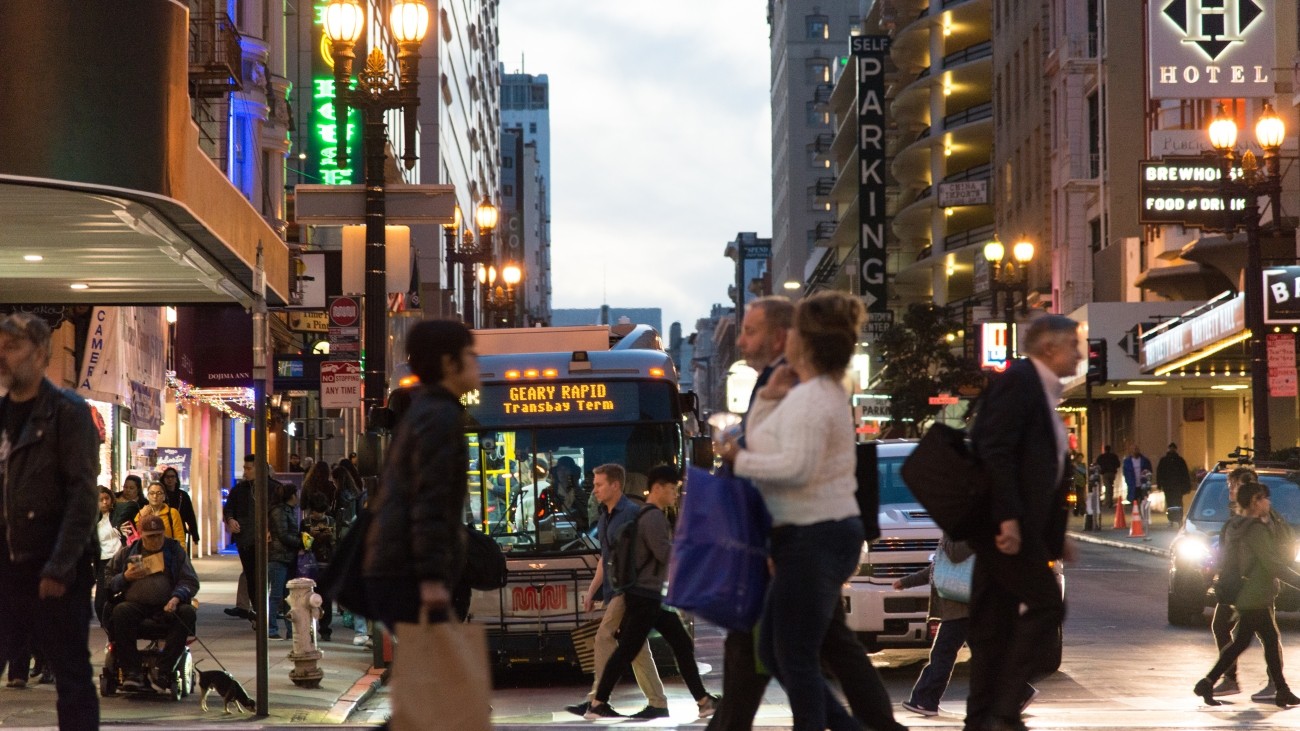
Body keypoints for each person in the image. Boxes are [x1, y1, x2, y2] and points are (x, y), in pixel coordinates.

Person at [711, 295, 904, 731]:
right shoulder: (801, 389)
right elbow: (762, 440)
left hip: (814, 534)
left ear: (806, 341)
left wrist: (737, 458)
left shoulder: (816, 395)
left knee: (792, 655)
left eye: (794, 331)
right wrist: (766, 403)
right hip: (801, 535)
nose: (787, 339)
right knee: (779, 653)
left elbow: (792, 467)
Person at [966, 314, 1080, 731]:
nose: (1081, 353)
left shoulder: (1040, 390)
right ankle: (1003, 710)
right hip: (1008, 531)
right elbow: (993, 448)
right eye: (1073, 344)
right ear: (1049, 348)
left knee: (991, 625)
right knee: (1048, 605)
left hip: (1021, 529)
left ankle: (983, 718)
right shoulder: (1020, 382)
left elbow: (1039, 468)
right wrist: (1008, 518)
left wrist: (1057, 535)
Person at [361, 320, 479, 704]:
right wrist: (431, 580)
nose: (477, 364)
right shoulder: (440, 418)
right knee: (446, 694)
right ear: (449, 363)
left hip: (399, 569)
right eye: (470, 356)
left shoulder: (430, 411)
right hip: (408, 573)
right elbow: (430, 502)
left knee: (435, 695)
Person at [0, 312, 101, 729]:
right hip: (6, 566)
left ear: (41, 355)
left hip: (51, 569)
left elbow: (83, 496)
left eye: (13, 348)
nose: (3, 357)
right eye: (0, 348)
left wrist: (60, 566)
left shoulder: (67, 413)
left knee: (72, 675)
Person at [585, 465, 718, 720]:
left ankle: (703, 700)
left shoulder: (639, 515)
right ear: (657, 488)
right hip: (647, 597)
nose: (675, 495)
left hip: (645, 595)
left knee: (676, 644)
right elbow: (665, 555)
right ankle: (598, 703)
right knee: (628, 650)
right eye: (672, 489)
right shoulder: (653, 517)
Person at [564, 465, 670, 719]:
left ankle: (597, 700)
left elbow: (649, 553)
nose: (594, 490)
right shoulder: (604, 517)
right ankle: (658, 703)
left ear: (615, 486)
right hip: (617, 590)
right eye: (594, 484)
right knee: (635, 646)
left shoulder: (633, 514)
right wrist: (591, 592)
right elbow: (606, 558)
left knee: (603, 637)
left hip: (630, 590)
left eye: (599, 484)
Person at [894, 535, 1037, 717]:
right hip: (966, 606)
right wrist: (907, 582)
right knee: (983, 656)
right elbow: (940, 569)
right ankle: (1020, 692)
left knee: (943, 654)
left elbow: (955, 554)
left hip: (963, 608)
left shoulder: (965, 530)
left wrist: (947, 536)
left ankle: (925, 700)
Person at [1194, 481, 1300, 708]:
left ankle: (1282, 690)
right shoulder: (1255, 530)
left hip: (1246, 593)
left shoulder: (1234, 525)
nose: (1268, 503)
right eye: (1264, 499)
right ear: (1255, 501)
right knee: (1247, 642)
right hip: (1255, 594)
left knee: (1262, 641)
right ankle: (1208, 681)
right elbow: (1273, 564)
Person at [103, 514, 200, 692]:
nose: (155, 540)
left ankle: (163, 670)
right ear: (141, 534)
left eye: (159, 535)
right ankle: (132, 671)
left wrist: (176, 597)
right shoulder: (128, 552)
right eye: (150, 536)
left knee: (187, 613)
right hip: (136, 606)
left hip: (167, 605)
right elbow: (108, 579)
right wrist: (124, 577)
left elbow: (190, 581)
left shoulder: (174, 551)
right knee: (120, 611)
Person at [1209, 466, 1279, 701]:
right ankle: (1229, 679)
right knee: (1237, 631)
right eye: (1229, 485)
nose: (1230, 490)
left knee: (1262, 635)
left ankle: (1274, 684)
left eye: (1234, 485)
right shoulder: (1237, 517)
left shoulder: (1259, 516)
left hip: (1254, 585)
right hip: (1237, 585)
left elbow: (1268, 554)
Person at [223, 455, 258, 621]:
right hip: (245, 540)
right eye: (244, 468)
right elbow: (228, 509)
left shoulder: (271, 488)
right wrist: (230, 520)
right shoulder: (239, 490)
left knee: (259, 576)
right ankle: (257, 611)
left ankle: (261, 611)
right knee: (251, 576)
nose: (245, 471)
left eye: (249, 468)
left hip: (264, 541)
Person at [268, 481, 303, 639]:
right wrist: (300, 542)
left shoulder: (288, 510)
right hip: (279, 556)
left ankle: (290, 630)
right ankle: (271, 629)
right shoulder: (279, 511)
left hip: (287, 557)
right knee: (276, 595)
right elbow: (282, 534)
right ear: (292, 496)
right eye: (297, 494)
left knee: (288, 596)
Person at [302, 492, 337, 640]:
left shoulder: (331, 521)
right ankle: (310, 628)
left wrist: (328, 535)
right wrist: (313, 535)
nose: (319, 515)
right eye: (317, 512)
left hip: (327, 564)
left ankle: (325, 629)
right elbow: (304, 543)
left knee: (326, 599)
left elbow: (335, 540)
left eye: (322, 512)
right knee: (308, 599)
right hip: (310, 565)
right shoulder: (306, 523)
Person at [95, 486, 125, 622]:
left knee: (119, 592)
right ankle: (106, 623)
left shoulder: (118, 515)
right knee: (101, 597)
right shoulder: (93, 520)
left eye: (107, 498)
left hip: (119, 559)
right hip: (102, 561)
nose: (105, 502)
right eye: (101, 500)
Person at [158, 467, 198, 549]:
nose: (170, 479)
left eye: (172, 477)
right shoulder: (159, 495)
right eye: (167, 477)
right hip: (163, 531)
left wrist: (195, 535)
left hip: (179, 530)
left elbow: (190, 516)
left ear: (176, 479)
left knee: (179, 555)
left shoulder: (183, 496)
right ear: (163, 479)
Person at [1157, 443, 1192, 524]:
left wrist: (1160, 485)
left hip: (1171, 487)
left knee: (1172, 503)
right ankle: (1176, 519)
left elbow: (1184, 474)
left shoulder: (1166, 460)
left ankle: (1174, 519)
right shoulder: (1179, 460)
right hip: (1175, 487)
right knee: (1175, 503)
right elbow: (1185, 474)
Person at [1094, 445, 1120, 509]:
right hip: (1112, 473)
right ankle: (1110, 501)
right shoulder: (1114, 456)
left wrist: (1101, 470)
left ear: (1104, 449)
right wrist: (1114, 468)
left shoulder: (1101, 457)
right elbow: (1118, 464)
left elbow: (1097, 464)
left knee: (1107, 487)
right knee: (1110, 486)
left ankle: (1108, 502)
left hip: (1105, 473)